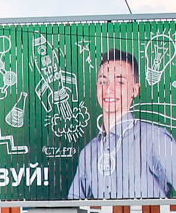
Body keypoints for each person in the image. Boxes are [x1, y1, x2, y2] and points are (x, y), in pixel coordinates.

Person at [69, 48, 176, 200]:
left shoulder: (155, 140)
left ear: (135, 90)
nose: (109, 90)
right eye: (103, 82)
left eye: (119, 82)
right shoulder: (89, 152)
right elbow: (72, 208)